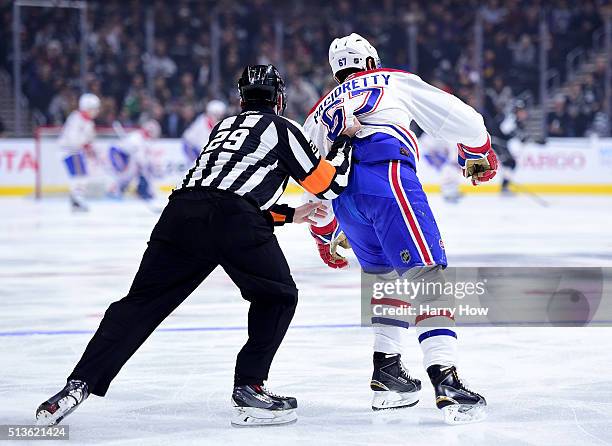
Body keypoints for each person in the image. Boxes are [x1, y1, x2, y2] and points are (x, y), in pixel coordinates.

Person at [36, 65, 358, 428]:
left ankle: (79, 382)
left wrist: (289, 215)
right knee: (278, 296)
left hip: (181, 213)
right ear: (279, 99)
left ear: (241, 99)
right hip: (235, 218)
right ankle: (249, 386)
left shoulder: (221, 128)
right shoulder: (283, 128)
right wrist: (346, 140)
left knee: (140, 303)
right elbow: (326, 185)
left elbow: (217, 191)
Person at [303, 34, 497, 424]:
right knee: (429, 277)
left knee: (385, 282)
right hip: (387, 176)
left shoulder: (316, 114)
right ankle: (445, 377)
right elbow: (461, 118)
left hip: (345, 201)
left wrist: (325, 235)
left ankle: (388, 373)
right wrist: (478, 149)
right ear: (371, 60)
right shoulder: (390, 79)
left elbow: (315, 182)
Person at [57, 93, 100, 211]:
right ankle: (77, 199)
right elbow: (73, 139)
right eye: (94, 108)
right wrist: (85, 144)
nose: (96, 111)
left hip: (75, 151)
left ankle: (77, 199)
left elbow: (89, 139)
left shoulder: (88, 122)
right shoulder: (76, 118)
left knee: (81, 175)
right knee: (79, 176)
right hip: (70, 151)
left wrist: (90, 147)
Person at [108, 120, 161, 201]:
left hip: (125, 155)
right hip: (117, 153)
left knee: (133, 171)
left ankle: (121, 189)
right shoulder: (136, 139)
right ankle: (115, 190)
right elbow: (140, 160)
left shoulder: (142, 139)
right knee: (127, 174)